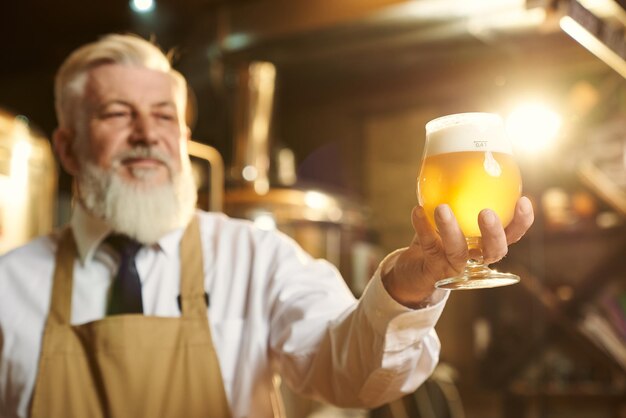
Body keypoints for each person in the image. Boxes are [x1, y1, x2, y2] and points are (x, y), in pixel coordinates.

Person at [0, 33, 534, 418]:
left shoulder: (256, 257)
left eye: (164, 115)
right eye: (117, 114)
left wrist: (407, 288)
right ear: (67, 148)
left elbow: (352, 375)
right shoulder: (10, 285)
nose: (147, 134)